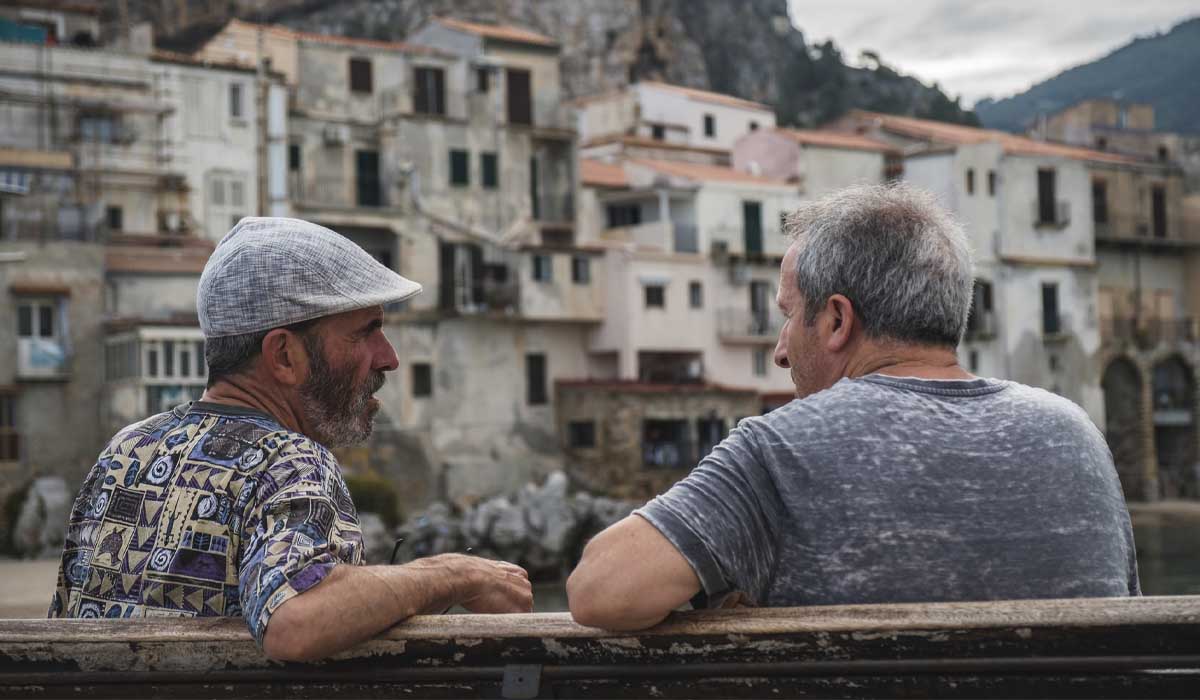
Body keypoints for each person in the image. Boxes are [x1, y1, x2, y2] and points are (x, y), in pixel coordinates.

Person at [567, 184, 1139, 631]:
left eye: (789, 315)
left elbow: (599, 590)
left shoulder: (782, 448)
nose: (780, 350)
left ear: (838, 320)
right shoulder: (1075, 433)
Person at [49, 217, 532, 661]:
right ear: (283, 355)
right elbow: (295, 621)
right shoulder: (288, 460)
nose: (388, 358)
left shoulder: (128, 449)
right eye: (365, 332)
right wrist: (454, 574)